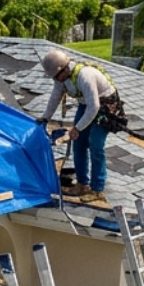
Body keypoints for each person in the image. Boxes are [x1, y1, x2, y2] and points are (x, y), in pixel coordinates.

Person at [37, 49, 118, 202]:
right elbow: (56, 96)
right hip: (86, 104)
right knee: (78, 143)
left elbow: (94, 107)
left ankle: (97, 189)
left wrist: (77, 128)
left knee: (96, 145)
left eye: (57, 76)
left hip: (105, 107)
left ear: (64, 68)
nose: (56, 80)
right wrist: (45, 118)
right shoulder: (62, 78)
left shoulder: (84, 76)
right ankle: (82, 184)